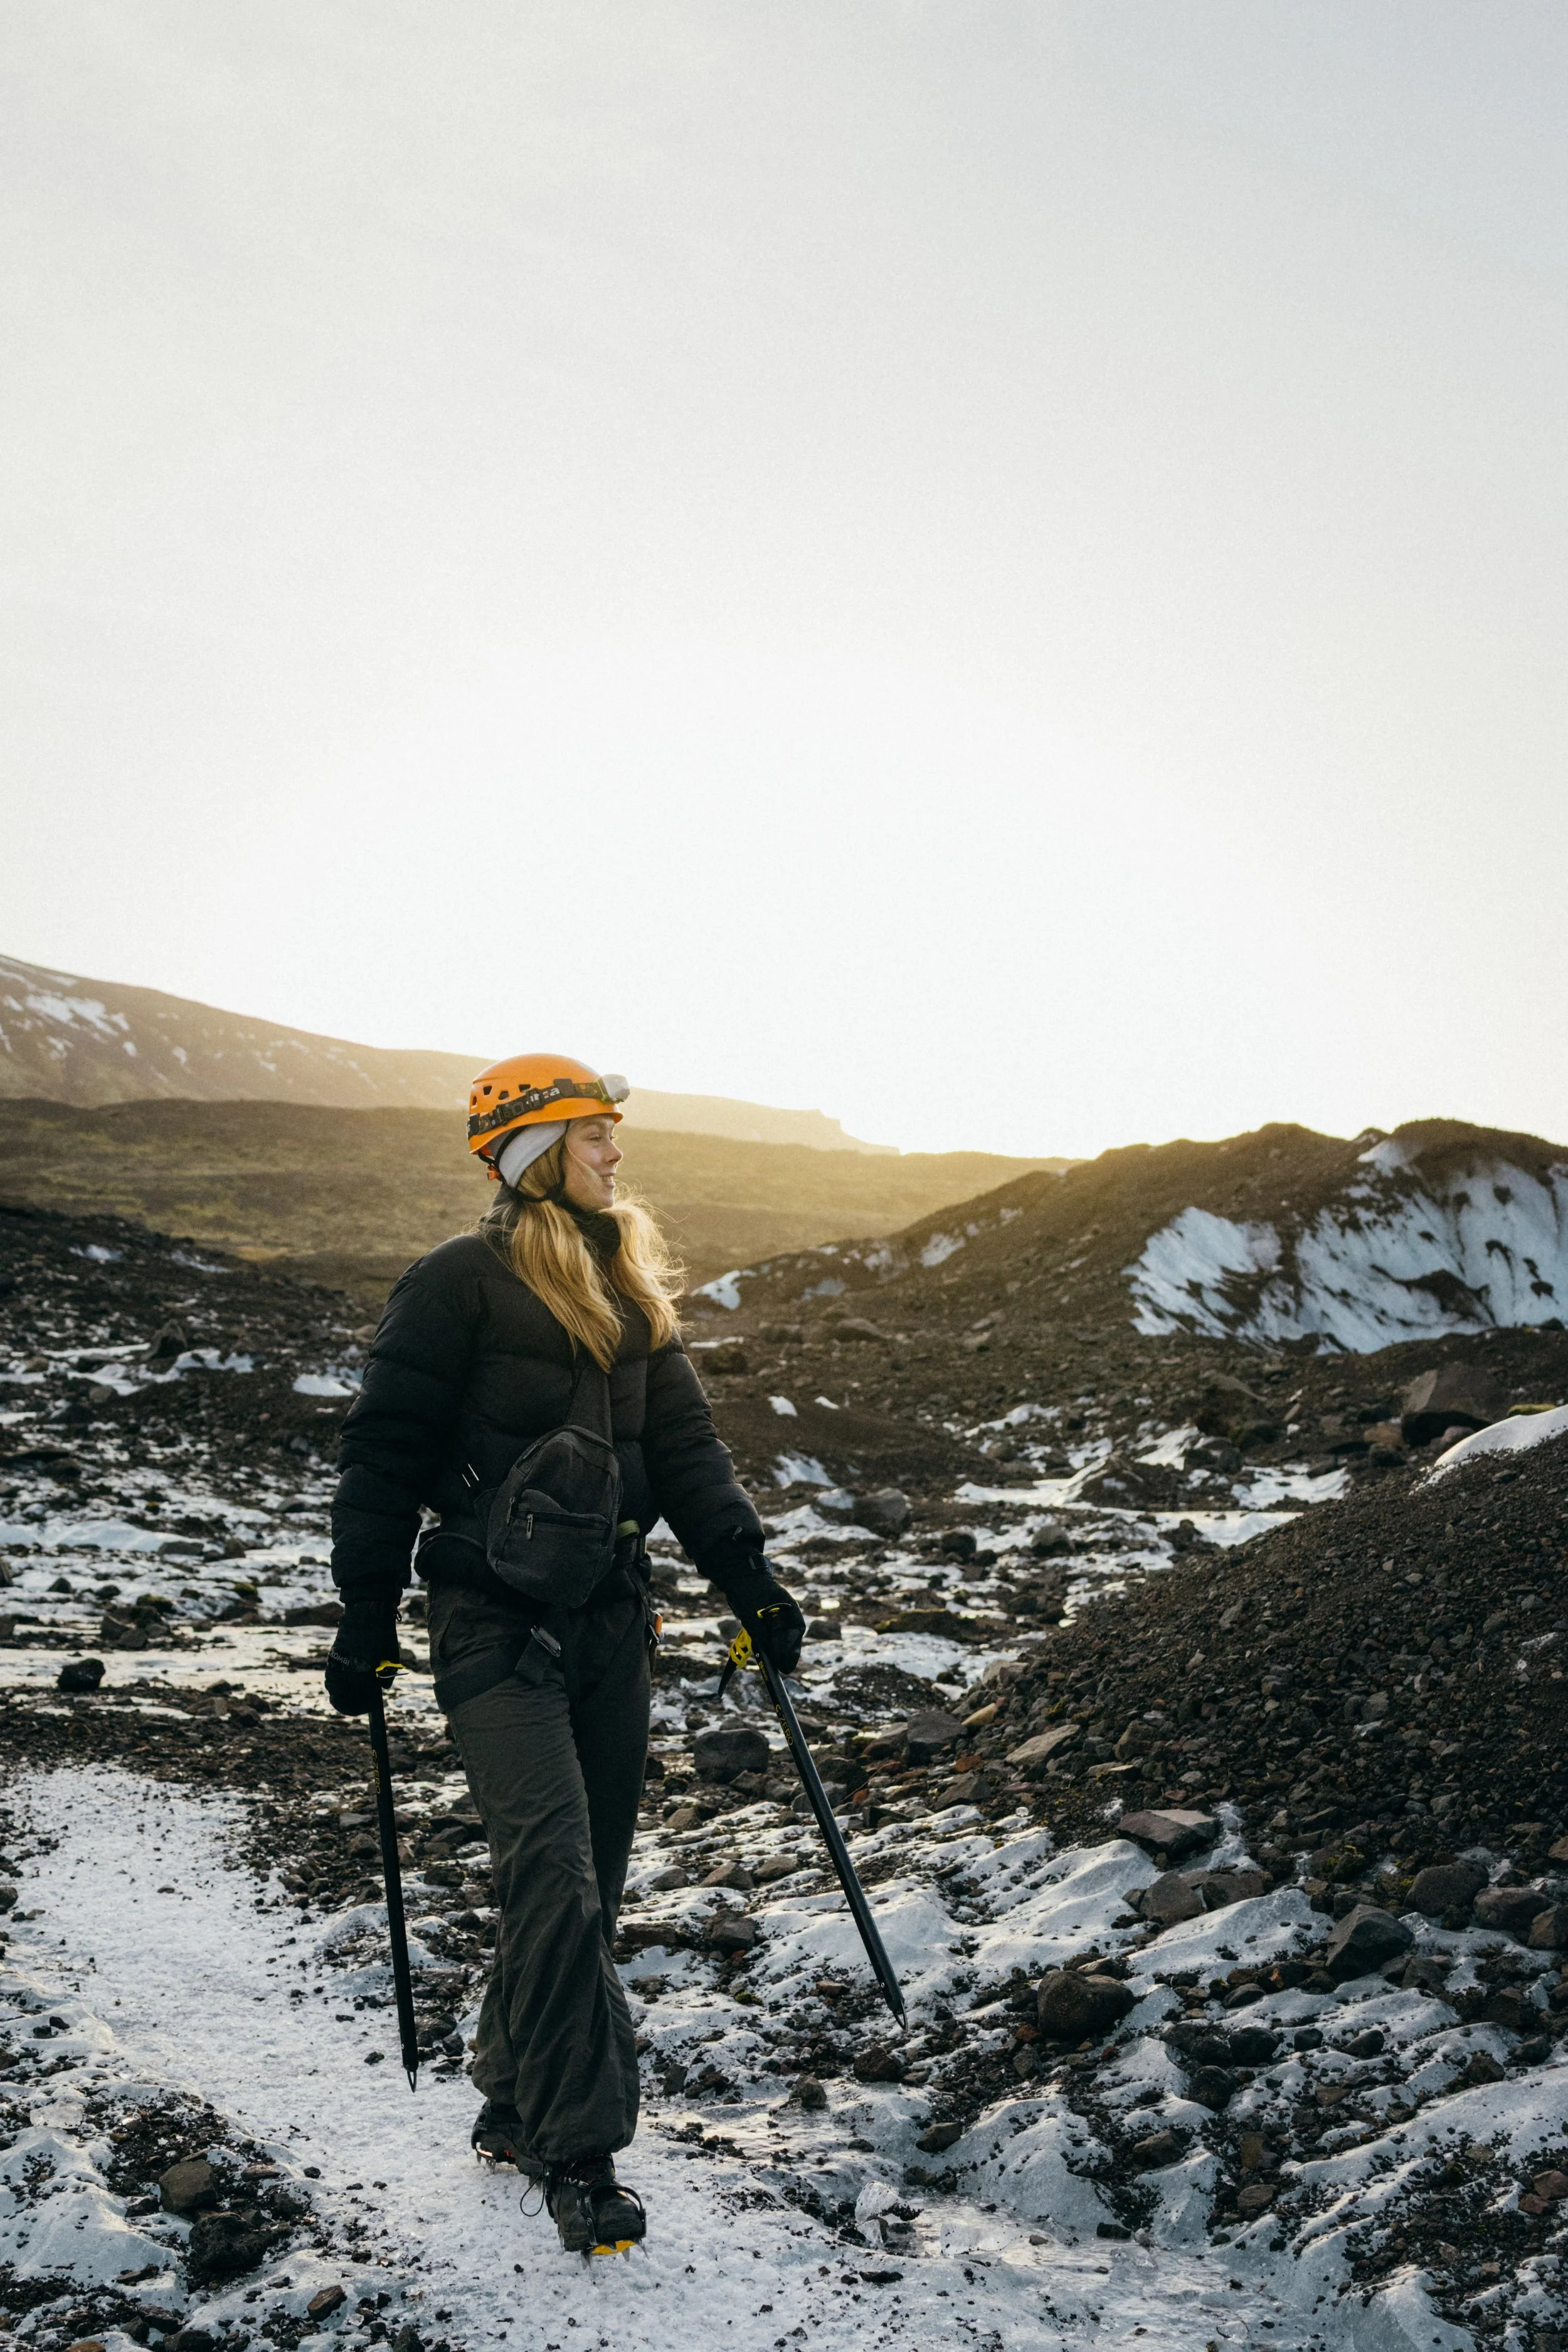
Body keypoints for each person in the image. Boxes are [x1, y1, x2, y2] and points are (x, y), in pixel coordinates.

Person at [321, 1054, 804, 2254]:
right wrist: (362, 1615)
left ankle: (507, 2087)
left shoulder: (631, 1286)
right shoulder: (456, 1285)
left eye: (614, 1132)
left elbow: (686, 1451)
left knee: (590, 1869)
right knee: (554, 1875)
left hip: (611, 1620)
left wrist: (752, 1581)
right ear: (538, 1150)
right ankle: (576, 2149)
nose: (616, 1151)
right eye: (595, 1132)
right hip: (491, 1624)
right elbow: (382, 1457)